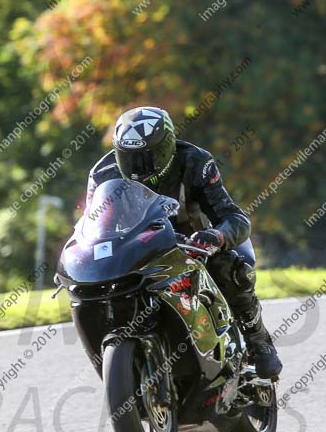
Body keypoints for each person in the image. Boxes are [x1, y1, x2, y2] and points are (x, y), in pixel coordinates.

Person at [85, 106, 282, 379]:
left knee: (233, 268)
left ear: (166, 148)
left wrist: (216, 236)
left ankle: (258, 340)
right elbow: (93, 225)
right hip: (138, 248)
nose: (135, 168)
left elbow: (233, 216)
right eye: (127, 158)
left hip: (194, 245)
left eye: (144, 158)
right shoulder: (102, 173)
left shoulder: (195, 162)